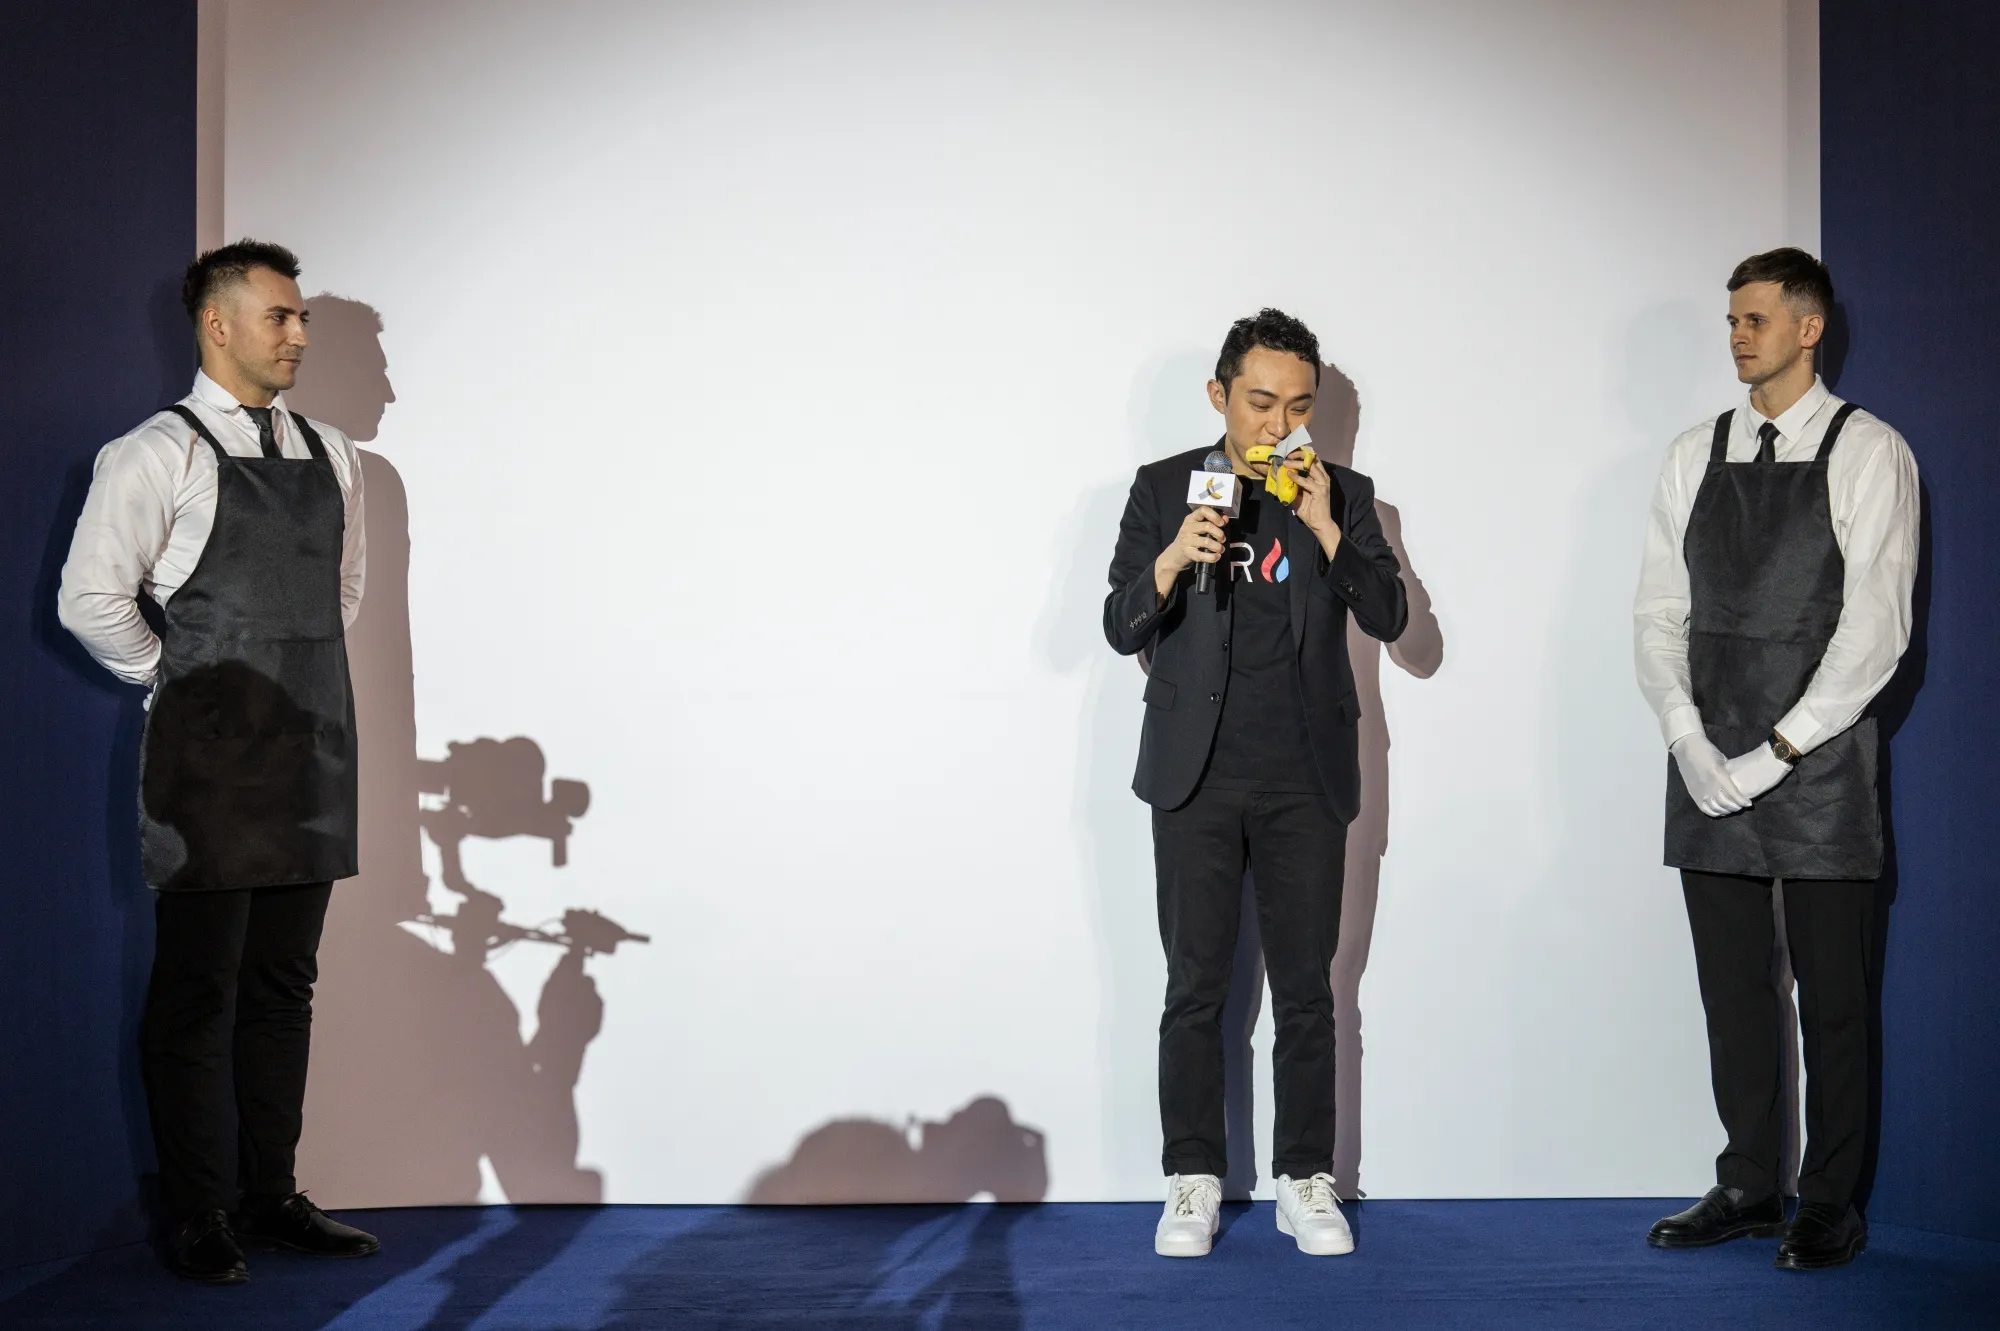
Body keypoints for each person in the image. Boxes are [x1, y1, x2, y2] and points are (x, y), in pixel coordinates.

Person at [58, 240, 382, 1283]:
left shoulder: (334, 453)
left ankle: (271, 1190)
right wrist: (182, 681)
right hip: (207, 775)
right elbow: (90, 600)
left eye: (302, 321)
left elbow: (340, 598)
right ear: (218, 324)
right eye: (280, 316)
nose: (298, 336)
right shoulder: (156, 451)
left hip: (310, 760)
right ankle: (201, 1211)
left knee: (285, 984)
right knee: (199, 990)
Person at [1633, 248, 1919, 1271]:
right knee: (1731, 991)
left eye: (1754, 318)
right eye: (1729, 319)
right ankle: (1749, 1182)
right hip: (1707, 760)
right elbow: (1658, 612)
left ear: (1808, 327)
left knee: (1833, 1000)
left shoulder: (1866, 449)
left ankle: (1828, 1200)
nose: (1736, 335)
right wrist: (1684, 733)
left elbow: (1874, 630)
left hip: (1818, 771)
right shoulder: (1689, 452)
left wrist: (1774, 752)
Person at [1104, 309, 1408, 1258]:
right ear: (1220, 396)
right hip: (1196, 776)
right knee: (1194, 985)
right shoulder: (1164, 489)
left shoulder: (1343, 492)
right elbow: (1120, 625)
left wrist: (1324, 525)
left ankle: (1303, 1178)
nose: (1279, 424)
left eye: (1299, 405)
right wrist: (1169, 559)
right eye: (1260, 402)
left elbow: (1393, 616)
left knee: (1310, 991)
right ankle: (1191, 1175)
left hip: (1305, 776)